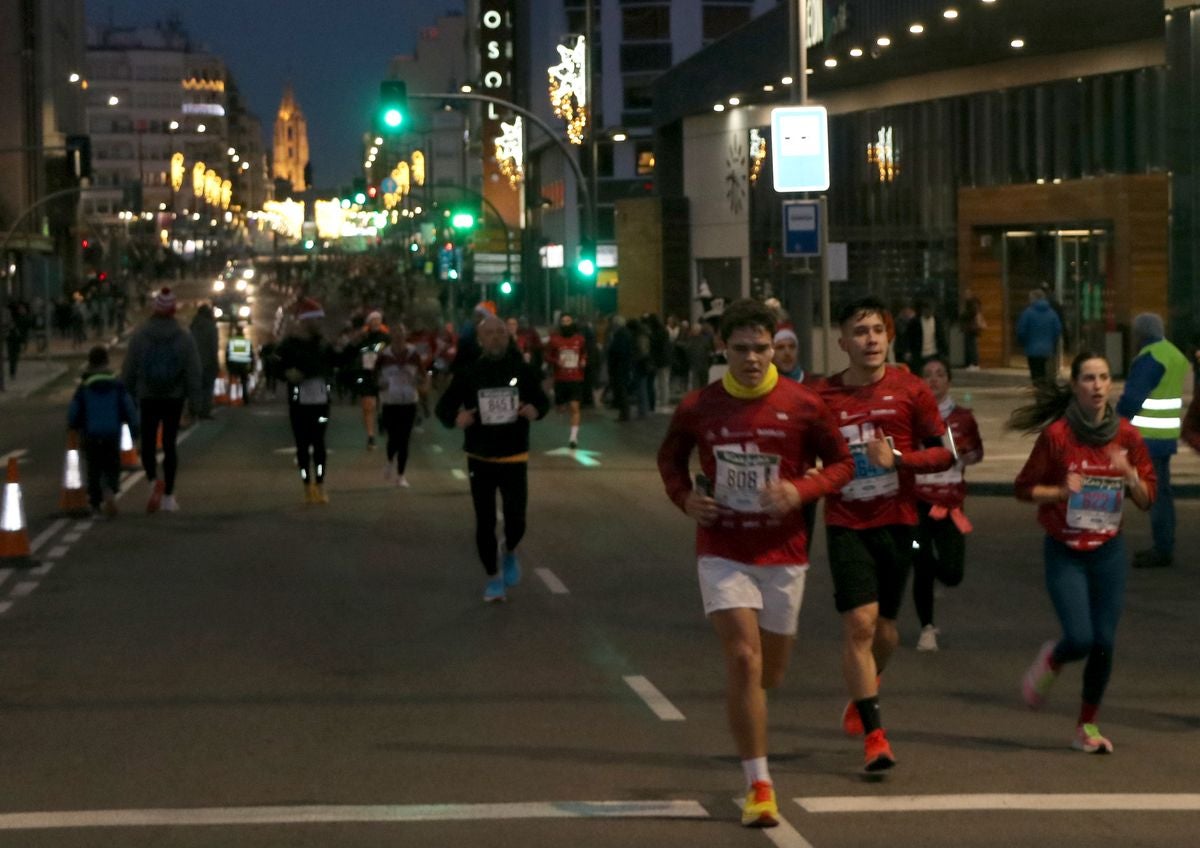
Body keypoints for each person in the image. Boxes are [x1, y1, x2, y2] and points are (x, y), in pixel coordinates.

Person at [658, 299, 853, 828]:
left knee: (771, 671)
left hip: (784, 553)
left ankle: (753, 724)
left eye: (761, 348)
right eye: (740, 348)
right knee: (743, 659)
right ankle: (759, 784)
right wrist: (685, 498)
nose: (751, 358)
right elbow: (670, 460)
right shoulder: (700, 406)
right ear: (723, 347)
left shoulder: (804, 404)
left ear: (776, 347)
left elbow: (842, 463)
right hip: (722, 549)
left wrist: (800, 489)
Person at [816, 296, 954, 772]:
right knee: (860, 621)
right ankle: (876, 736)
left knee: (887, 632)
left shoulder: (911, 390)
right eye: (860, 331)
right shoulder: (824, 397)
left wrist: (899, 461)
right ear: (842, 342)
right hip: (846, 522)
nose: (870, 339)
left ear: (888, 337)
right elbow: (801, 456)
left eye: (877, 330)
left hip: (898, 521)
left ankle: (863, 694)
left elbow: (943, 454)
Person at [1012, 352, 1155, 754]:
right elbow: (1023, 489)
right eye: (1088, 378)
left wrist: (1129, 476)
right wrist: (1058, 491)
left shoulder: (1127, 437)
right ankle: (1054, 658)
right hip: (1066, 548)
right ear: (1075, 385)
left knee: (1105, 642)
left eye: (1103, 378)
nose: (1096, 385)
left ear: (1112, 385)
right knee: (1079, 637)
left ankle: (1086, 727)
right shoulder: (1057, 436)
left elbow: (1147, 498)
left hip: (1107, 550)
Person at [436, 315, 549, 602]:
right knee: (484, 521)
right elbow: (443, 408)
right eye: (490, 333)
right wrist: (456, 417)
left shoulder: (522, 370)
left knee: (517, 520)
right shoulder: (469, 373)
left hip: (514, 455)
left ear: (508, 337)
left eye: (501, 332)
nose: (497, 337)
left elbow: (542, 401)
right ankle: (493, 577)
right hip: (480, 456)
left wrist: (536, 410)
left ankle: (509, 549)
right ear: (480, 339)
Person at [911, 357, 984, 651]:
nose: (934, 380)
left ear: (949, 380)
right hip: (917, 503)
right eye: (927, 374)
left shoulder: (963, 417)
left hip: (950, 503)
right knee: (920, 558)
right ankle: (926, 627)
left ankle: (940, 577)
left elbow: (978, 453)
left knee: (953, 572)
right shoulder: (911, 416)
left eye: (940, 374)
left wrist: (967, 455)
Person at [1115, 313, 1189, 569]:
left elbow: (1133, 398)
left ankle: (1161, 548)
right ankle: (1164, 544)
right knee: (1161, 493)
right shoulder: (1173, 354)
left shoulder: (1151, 357)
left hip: (1146, 437)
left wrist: (1115, 424)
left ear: (1140, 334)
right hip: (1165, 436)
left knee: (1154, 494)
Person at [120, 287, 202, 514]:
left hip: (147, 396)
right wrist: (195, 403)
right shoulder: (183, 336)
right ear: (173, 310)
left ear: (154, 309)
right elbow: (193, 372)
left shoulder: (140, 335)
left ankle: (153, 480)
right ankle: (168, 496)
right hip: (174, 398)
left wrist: (124, 396)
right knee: (169, 445)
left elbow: (129, 369)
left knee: (147, 444)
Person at [276, 298, 337, 504]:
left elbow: (334, 363)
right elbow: (274, 363)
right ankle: (307, 485)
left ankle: (320, 484)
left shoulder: (323, 344)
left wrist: (352, 346)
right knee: (302, 446)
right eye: (316, 320)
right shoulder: (290, 344)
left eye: (320, 320)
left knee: (318, 444)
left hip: (321, 401)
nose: (319, 324)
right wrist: (286, 374)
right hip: (299, 403)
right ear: (306, 322)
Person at [67, 346, 138, 518]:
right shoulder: (117, 384)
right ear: (106, 361)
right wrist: (134, 427)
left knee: (94, 467)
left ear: (90, 363)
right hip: (112, 433)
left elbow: (74, 410)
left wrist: (73, 427)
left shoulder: (84, 386)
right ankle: (110, 491)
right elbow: (128, 406)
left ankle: (96, 503)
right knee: (112, 465)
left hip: (91, 433)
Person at [375, 323, 428, 488]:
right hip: (390, 401)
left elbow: (423, 376)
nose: (398, 335)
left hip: (409, 401)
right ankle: (390, 460)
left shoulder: (413, 354)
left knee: (404, 438)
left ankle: (401, 475)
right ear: (391, 335)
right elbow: (374, 376)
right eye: (396, 332)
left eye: (401, 332)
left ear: (406, 335)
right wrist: (381, 384)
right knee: (393, 437)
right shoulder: (384, 354)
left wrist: (417, 382)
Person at [545, 312, 587, 448]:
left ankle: (573, 438)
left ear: (572, 322)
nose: (566, 323)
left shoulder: (580, 339)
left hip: (576, 378)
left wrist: (583, 361)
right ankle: (560, 404)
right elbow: (547, 356)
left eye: (568, 320)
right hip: (561, 378)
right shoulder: (554, 340)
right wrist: (556, 361)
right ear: (560, 324)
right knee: (561, 408)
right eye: (563, 321)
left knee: (575, 407)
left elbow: (584, 353)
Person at [351, 311, 390, 450]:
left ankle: (383, 420)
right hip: (367, 374)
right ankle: (370, 436)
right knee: (368, 405)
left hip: (384, 374)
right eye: (373, 320)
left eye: (378, 320)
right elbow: (351, 350)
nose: (375, 322)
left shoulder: (386, 338)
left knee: (385, 404)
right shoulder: (363, 338)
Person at [1017, 290, 1063, 384]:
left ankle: (1038, 391)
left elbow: (1021, 330)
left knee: (1035, 374)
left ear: (1033, 299)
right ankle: (1045, 391)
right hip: (1048, 349)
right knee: (1046, 373)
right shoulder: (1052, 313)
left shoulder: (1027, 313)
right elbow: (1057, 329)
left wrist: (1023, 342)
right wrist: (1052, 342)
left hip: (1032, 349)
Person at [189, 304, 219, 418]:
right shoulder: (211, 327)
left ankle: (194, 410)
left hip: (194, 362)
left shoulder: (193, 326)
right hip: (207, 362)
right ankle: (205, 411)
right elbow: (213, 347)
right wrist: (215, 362)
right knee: (207, 388)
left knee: (195, 387)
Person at [902, 299, 948, 372]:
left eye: (930, 310)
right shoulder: (915, 322)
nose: (929, 312)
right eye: (927, 310)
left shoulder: (937, 321)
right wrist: (907, 351)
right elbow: (908, 337)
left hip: (934, 354)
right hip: (919, 354)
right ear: (923, 310)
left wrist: (944, 352)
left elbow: (941, 337)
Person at [606, 315, 633, 421]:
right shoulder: (624, 333)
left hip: (620, 367)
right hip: (622, 366)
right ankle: (624, 412)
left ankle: (624, 413)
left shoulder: (621, 334)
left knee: (621, 390)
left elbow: (618, 351)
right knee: (621, 390)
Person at [225, 323, 255, 404]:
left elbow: (227, 355)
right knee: (244, 383)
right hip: (244, 366)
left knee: (232, 383)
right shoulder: (246, 342)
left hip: (233, 365)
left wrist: (227, 365)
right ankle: (245, 399)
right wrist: (252, 367)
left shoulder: (231, 342)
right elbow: (251, 356)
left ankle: (231, 399)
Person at [960, 290, 984, 370]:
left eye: (966, 294)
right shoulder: (971, 303)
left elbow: (972, 314)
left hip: (971, 328)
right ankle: (972, 363)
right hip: (970, 328)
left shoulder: (972, 304)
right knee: (970, 346)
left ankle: (974, 364)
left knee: (972, 347)